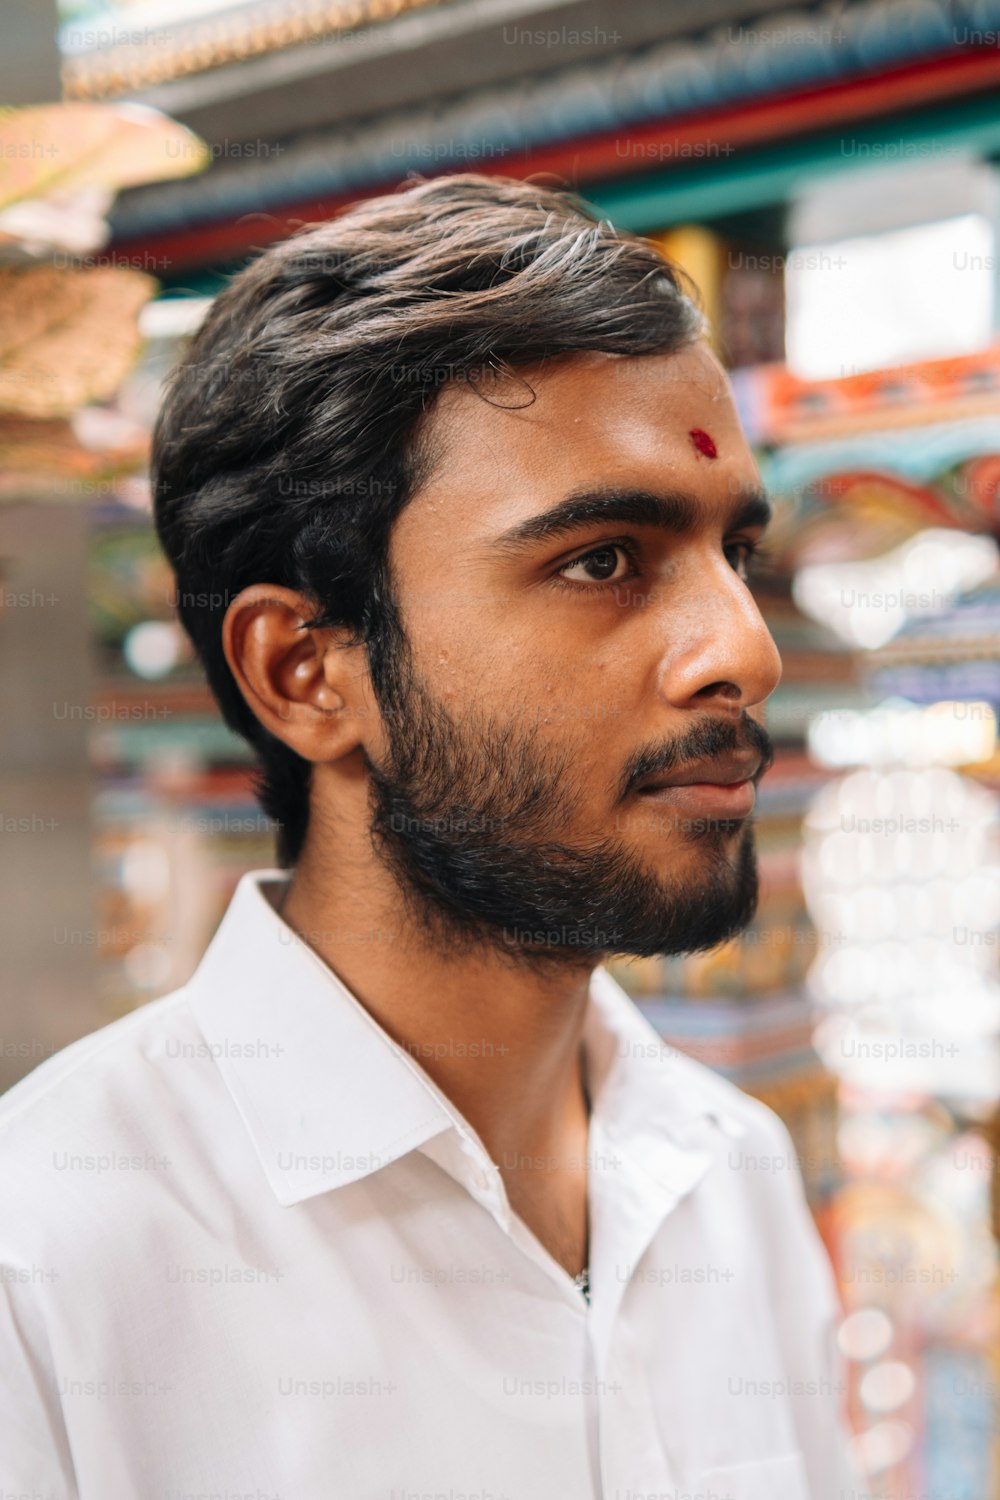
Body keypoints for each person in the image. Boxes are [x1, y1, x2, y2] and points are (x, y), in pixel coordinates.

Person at [0, 174, 863, 1498]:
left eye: (733, 552)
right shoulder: (49, 1259)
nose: (741, 648)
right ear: (304, 670)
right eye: (605, 560)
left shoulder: (731, 1175)